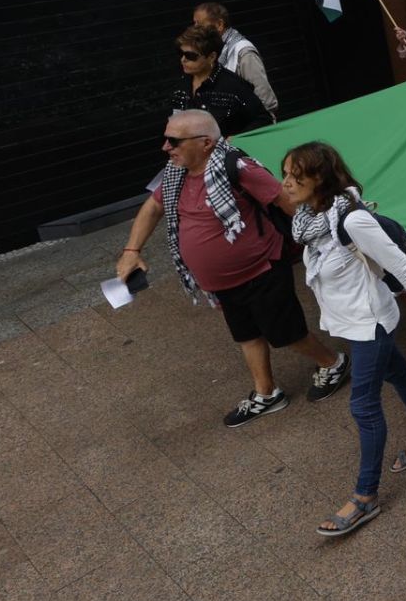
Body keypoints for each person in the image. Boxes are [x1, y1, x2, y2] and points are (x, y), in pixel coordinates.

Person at [116, 110, 348, 425]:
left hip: (262, 270)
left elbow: (285, 200)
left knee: (286, 333)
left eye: (174, 141)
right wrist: (132, 250)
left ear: (206, 143)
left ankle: (333, 363)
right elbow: (154, 207)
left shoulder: (238, 168)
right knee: (246, 334)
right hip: (223, 282)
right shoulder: (176, 172)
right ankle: (267, 393)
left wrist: (330, 240)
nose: (166, 147)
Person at [282, 142, 406, 538]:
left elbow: (399, 263)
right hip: (350, 321)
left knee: (363, 405)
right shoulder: (311, 217)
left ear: (320, 178)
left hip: (370, 324)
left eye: (295, 176)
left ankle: (365, 497)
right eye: (285, 174)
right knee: (401, 374)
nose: (286, 183)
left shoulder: (352, 221)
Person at [172, 24, 272, 138]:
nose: (183, 60)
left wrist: (237, 139)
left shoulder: (234, 86)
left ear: (211, 57)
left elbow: (263, 119)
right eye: (181, 53)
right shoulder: (181, 84)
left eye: (190, 56)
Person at [191, 2, 278, 119]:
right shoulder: (212, 53)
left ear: (219, 24)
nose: (195, 29)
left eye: (199, 25)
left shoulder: (243, 52)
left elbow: (266, 100)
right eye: (194, 24)